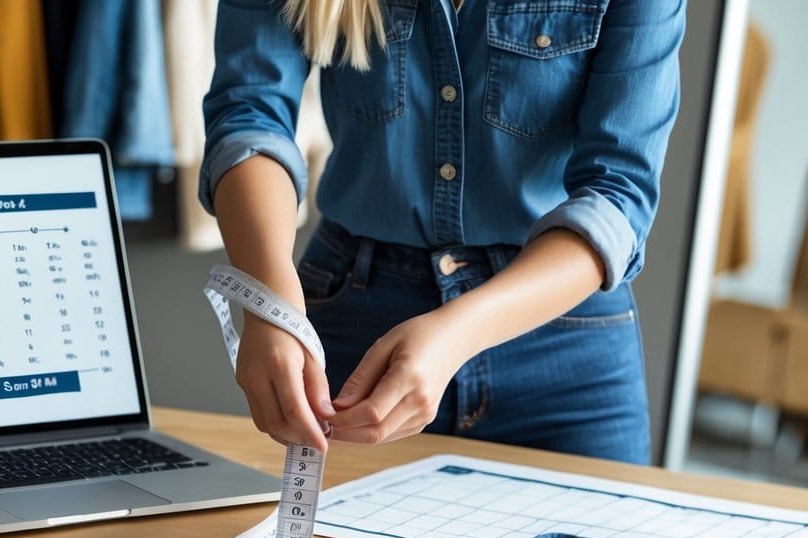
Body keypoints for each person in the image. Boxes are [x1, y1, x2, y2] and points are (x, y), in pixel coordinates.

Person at [200, 0, 686, 465]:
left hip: (564, 344)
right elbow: (250, 114)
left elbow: (618, 191)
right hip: (356, 318)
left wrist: (460, 332)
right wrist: (271, 301)